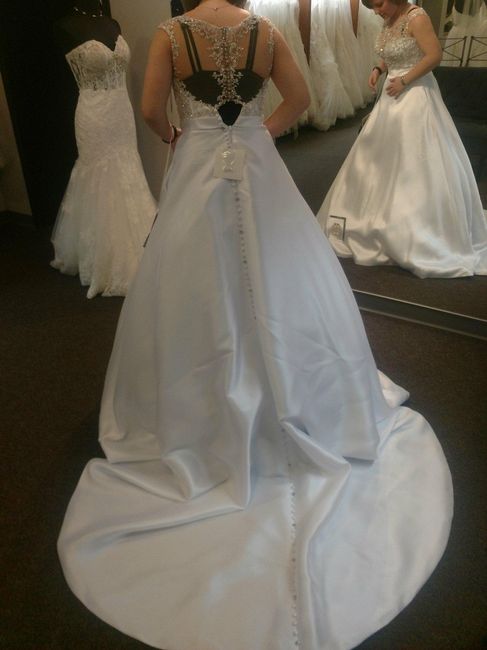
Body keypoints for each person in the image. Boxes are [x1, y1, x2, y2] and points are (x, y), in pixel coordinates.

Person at [57, 2, 452, 649]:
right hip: (255, 158)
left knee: (192, 284)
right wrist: (258, 130)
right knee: (282, 271)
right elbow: (299, 98)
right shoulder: (263, 32)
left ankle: (201, 411)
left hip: (197, 158)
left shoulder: (171, 35)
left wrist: (180, 134)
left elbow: (152, 108)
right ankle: (298, 395)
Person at [317, 0, 487, 278]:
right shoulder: (390, 19)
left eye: (379, 4)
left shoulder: (416, 17)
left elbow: (434, 55)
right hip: (392, 94)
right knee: (376, 159)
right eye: (372, 8)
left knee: (412, 162)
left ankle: (411, 228)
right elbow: (393, 51)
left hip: (414, 94)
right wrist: (379, 69)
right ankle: (372, 219)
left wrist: (405, 80)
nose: (377, 11)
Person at [50, 0, 157, 298]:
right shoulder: (65, 26)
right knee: (100, 176)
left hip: (121, 112)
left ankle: (140, 237)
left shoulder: (112, 23)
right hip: (93, 114)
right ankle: (105, 256)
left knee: (127, 167)